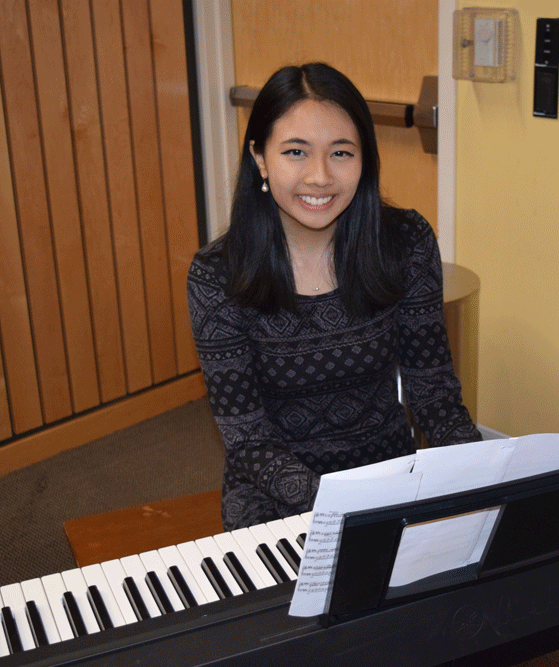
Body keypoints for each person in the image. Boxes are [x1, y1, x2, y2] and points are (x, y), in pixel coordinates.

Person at [187, 63, 481, 531]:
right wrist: (338, 510)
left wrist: (483, 471)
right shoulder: (217, 276)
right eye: (296, 152)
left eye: (341, 152)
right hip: (276, 502)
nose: (320, 176)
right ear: (261, 158)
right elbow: (248, 440)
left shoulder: (406, 242)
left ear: (364, 159)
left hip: (388, 482)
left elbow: (434, 395)